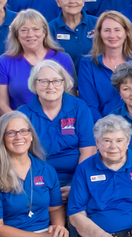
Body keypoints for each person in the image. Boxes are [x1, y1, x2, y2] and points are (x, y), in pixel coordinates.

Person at [20, 59, 97, 193]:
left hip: (77, 178)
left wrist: (77, 185)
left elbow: (88, 150)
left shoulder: (80, 108)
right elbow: (18, 156)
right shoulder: (23, 114)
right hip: (37, 182)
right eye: (43, 81)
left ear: (64, 83)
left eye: (56, 81)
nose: (51, 86)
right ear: (34, 84)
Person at [0, 11, 75, 114]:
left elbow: (71, 99)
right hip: (20, 125)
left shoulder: (63, 59)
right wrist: (21, 124)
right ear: (17, 35)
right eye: (24, 30)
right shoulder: (4, 62)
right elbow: (2, 104)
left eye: (36, 29)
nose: (30, 35)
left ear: (45, 32)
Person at [75, 11, 132, 114]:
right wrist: (103, 128)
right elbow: (89, 105)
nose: (112, 35)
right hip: (101, 126)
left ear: (126, 33)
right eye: (107, 30)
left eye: (117, 30)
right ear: (99, 34)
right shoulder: (87, 64)